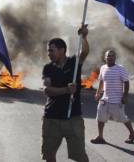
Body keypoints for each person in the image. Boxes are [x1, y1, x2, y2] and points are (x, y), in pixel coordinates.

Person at [41, 25, 89, 162]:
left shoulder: (74, 63)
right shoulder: (48, 68)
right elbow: (47, 90)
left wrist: (84, 37)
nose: (49, 53)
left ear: (62, 50)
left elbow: (84, 52)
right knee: (49, 155)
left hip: (73, 118)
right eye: (48, 51)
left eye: (52, 50)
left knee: (80, 156)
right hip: (52, 118)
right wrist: (66, 90)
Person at [91, 50, 134, 144]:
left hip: (116, 100)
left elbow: (126, 82)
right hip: (104, 99)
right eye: (108, 56)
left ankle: (132, 133)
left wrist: (125, 96)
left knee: (122, 118)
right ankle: (100, 137)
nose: (110, 57)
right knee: (100, 118)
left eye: (112, 56)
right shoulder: (103, 68)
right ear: (105, 58)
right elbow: (101, 81)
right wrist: (98, 93)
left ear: (115, 58)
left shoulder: (120, 69)